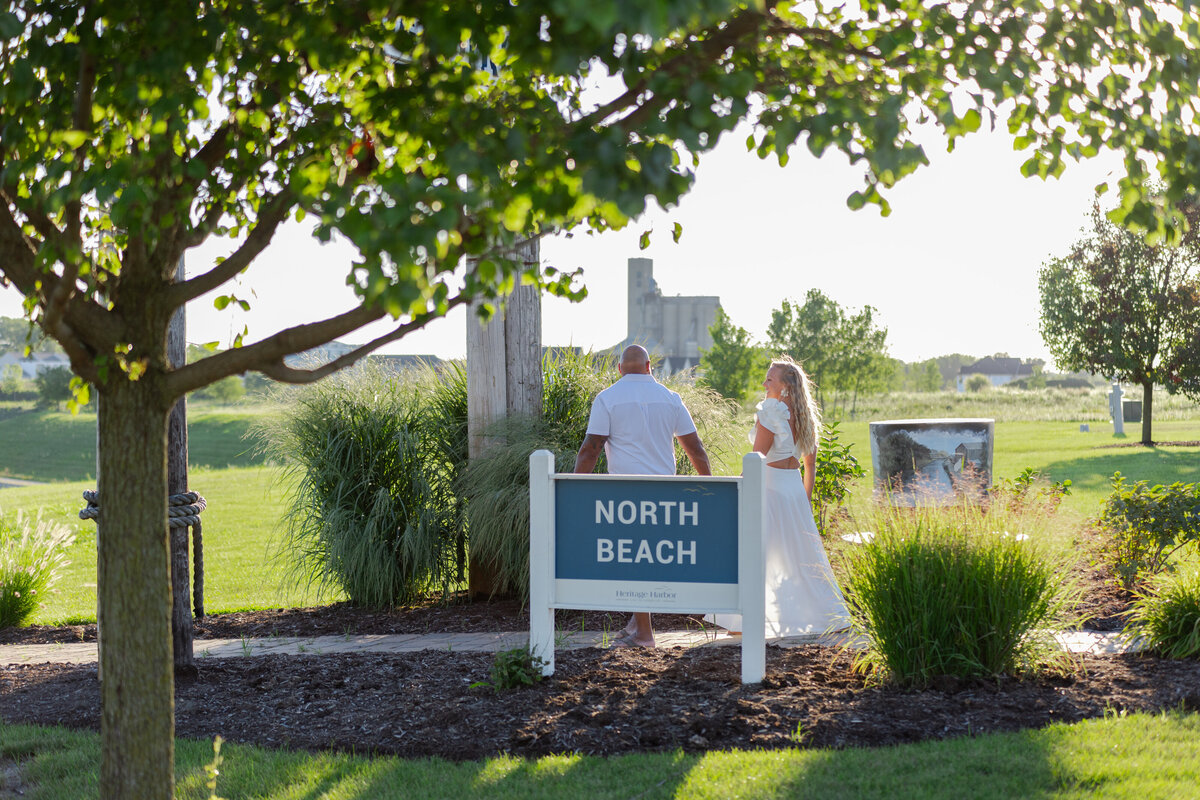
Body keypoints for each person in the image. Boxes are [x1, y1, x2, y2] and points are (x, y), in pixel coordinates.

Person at [573, 344, 712, 647]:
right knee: (648, 555)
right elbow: (695, 448)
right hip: (665, 491)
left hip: (626, 491)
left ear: (619, 369)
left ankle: (645, 635)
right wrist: (709, 487)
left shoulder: (607, 399)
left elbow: (591, 448)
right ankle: (636, 625)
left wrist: (575, 489)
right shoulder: (671, 398)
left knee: (635, 558)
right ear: (650, 367)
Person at [708, 356, 849, 637]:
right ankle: (825, 615)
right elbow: (810, 465)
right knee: (800, 555)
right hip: (794, 489)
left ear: (784, 386)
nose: (764, 383)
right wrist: (804, 501)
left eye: (770, 378)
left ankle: (744, 622)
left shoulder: (771, 410)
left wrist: (739, 490)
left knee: (755, 552)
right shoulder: (804, 414)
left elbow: (756, 459)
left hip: (769, 487)